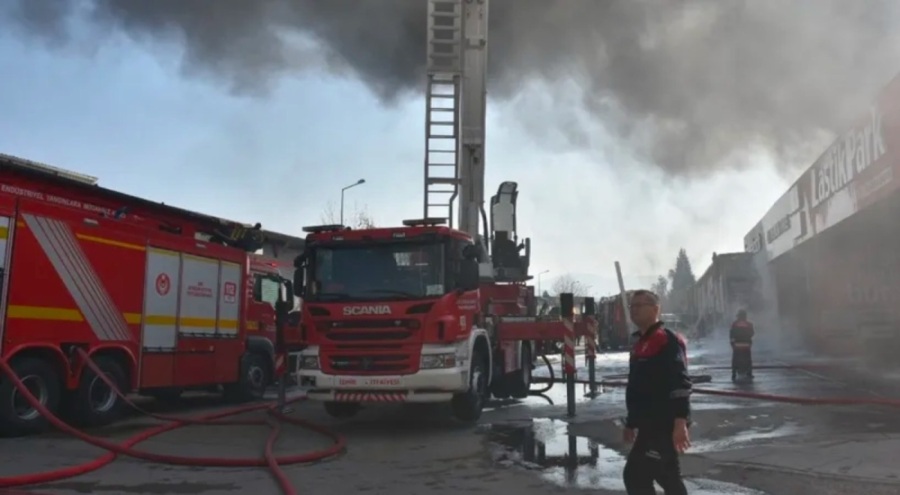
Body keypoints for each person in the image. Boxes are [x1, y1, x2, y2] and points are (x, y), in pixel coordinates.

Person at [622, 289, 692, 495]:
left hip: (664, 424)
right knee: (662, 476)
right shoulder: (640, 344)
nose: (634, 310)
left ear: (655, 309)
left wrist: (680, 422)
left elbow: (680, 382)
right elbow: (637, 387)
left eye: (639, 306)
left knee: (638, 475)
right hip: (648, 425)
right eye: (631, 306)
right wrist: (631, 423)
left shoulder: (666, 340)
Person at [729, 309, 755, 380]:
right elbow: (752, 333)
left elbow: (731, 334)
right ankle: (749, 372)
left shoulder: (734, 324)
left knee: (735, 359)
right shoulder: (749, 324)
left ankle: (734, 373)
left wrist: (732, 344)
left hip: (737, 345)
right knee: (748, 359)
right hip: (747, 345)